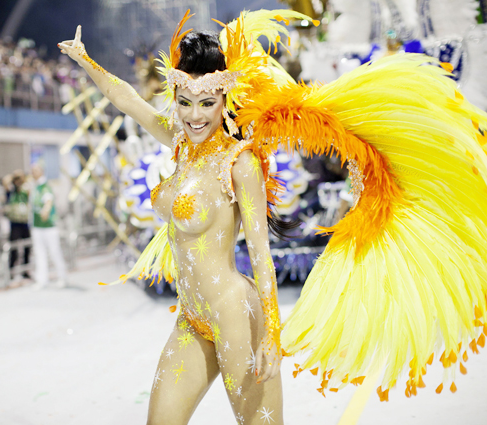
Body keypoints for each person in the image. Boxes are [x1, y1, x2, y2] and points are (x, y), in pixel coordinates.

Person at [60, 7, 487, 424]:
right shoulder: (178, 143)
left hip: (233, 314)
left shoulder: (239, 163)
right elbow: (127, 98)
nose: (194, 115)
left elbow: (261, 253)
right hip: (189, 317)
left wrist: (270, 333)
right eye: (185, 101)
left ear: (224, 97)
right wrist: (85, 60)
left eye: (206, 103)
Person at [30, 164, 67, 289]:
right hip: (37, 226)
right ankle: (42, 279)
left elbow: (48, 200)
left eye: (36, 170)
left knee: (54, 252)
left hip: (49, 226)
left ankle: (62, 276)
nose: (33, 172)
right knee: (39, 254)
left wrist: (46, 210)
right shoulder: (34, 187)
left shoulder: (45, 187)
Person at [3, 170, 31, 279]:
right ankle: (11, 271)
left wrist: (22, 178)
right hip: (14, 222)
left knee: (27, 247)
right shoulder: (11, 190)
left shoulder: (25, 189)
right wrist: (14, 175)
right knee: (13, 248)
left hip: (24, 222)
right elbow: (5, 181)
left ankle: (25, 270)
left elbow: (29, 191)